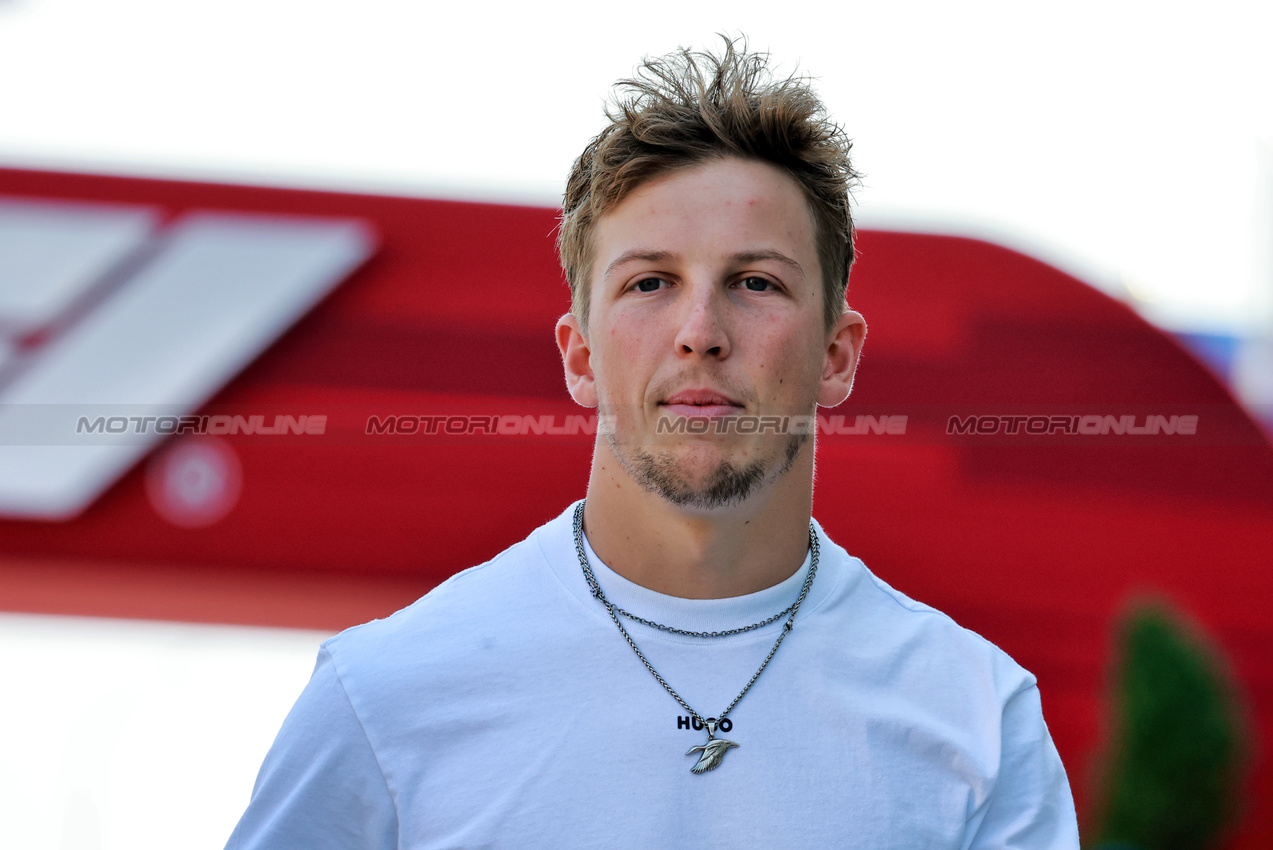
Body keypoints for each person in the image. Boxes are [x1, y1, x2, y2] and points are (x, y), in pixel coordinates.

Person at [226, 38, 1079, 848]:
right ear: (581, 355)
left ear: (835, 354)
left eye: (754, 282)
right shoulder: (384, 696)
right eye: (649, 283)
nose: (699, 332)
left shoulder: (975, 718)